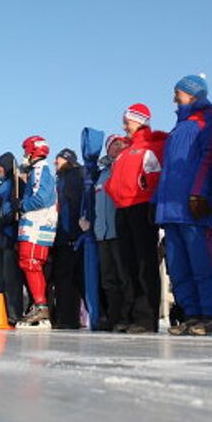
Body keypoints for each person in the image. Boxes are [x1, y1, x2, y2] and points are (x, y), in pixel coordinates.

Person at [156, 74, 212, 337]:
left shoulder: (209, 116)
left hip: (194, 203)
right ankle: (191, 314)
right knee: (178, 264)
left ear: (192, 92)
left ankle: (211, 315)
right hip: (171, 206)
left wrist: (200, 192)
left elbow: (209, 156)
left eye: (178, 92)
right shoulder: (180, 125)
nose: (174, 97)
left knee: (202, 261)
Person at [105, 103, 168, 333]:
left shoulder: (151, 145)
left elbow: (156, 175)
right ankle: (128, 314)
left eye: (128, 121)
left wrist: (151, 200)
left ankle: (145, 317)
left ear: (140, 120)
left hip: (142, 207)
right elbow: (113, 181)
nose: (124, 125)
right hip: (123, 209)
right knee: (127, 266)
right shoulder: (124, 152)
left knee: (144, 264)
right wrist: (115, 192)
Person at [80, 135, 132, 331]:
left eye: (122, 143)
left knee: (123, 277)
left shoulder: (124, 166)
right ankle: (114, 316)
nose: (118, 146)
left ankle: (127, 317)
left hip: (120, 232)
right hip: (102, 234)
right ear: (108, 149)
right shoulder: (101, 175)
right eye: (114, 144)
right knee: (108, 278)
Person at [15, 136, 58, 329]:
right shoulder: (36, 171)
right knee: (29, 264)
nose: (24, 155)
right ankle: (39, 306)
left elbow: (41, 198)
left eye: (26, 151)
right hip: (34, 223)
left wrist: (21, 204)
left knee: (31, 263)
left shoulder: (41, 170)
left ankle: (41, 306)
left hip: (37, 224)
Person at [0, 154, 24, 325]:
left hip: (9, 236)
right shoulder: (2, 186)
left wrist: (8, 219)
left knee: (11, 278)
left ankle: (14, 313)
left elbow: (17, 208)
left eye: (1, 166)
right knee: (0, 278)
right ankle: (2, 312)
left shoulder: (16, 184)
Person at [52, 148, 85, 329]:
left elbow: (73, 205)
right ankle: (67, 318)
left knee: (75, 278)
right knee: (65, 279)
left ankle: (71, 318)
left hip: (74, 234)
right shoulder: (61, 179)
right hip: (63, 236)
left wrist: (75, 230)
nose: (55, 163)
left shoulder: (74, 175)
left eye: (58, 160)